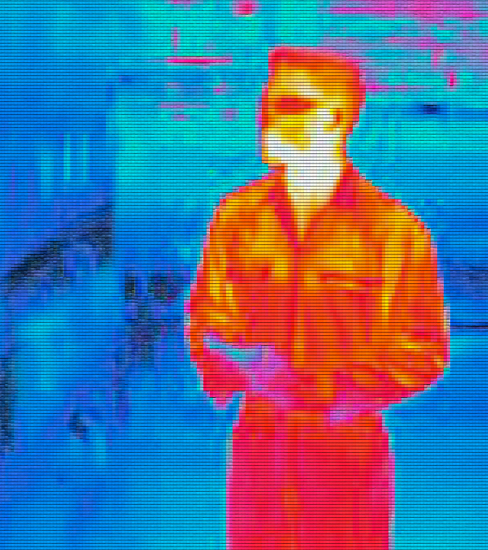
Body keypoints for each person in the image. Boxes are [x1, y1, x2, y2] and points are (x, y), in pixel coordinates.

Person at [184, 45, 450, 550]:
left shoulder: (391, 230)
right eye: (268, 104)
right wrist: (232, 359)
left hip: (345, 447)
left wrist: (320, 388)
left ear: (335, 119)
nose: (267, 118)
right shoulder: (237, 217)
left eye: (288, 106)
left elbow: (423, 349)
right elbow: (208, 314)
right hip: (260, 445)